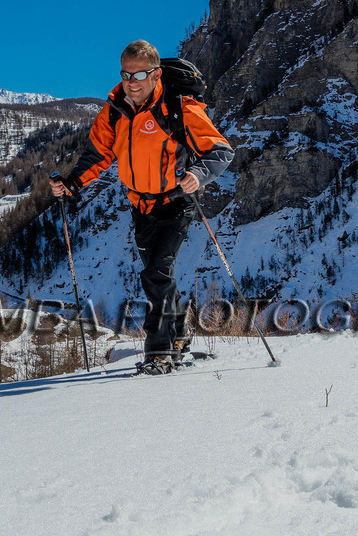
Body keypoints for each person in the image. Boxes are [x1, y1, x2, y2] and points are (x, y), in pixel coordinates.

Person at [52, 39, 234, 373]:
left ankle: (158, 351)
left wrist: (198, 173)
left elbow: (221, 151)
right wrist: (73, 183)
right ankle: (180, 332)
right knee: (159, 277)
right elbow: (99, 154)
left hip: (176, 203)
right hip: (140, 206)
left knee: (154, 274)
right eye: (126, 74)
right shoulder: (115, 109)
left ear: (156, 74)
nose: (131, 82)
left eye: (139, 74)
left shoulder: (178, 107)